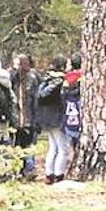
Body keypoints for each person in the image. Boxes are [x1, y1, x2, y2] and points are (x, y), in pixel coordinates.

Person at [35, 56, 72, 184]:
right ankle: (58, 174)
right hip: (56, 118)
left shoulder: (46, 79)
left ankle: (49, 173)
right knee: (63, 148)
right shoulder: (59, 82)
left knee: (53, 147)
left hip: (47, 118)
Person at [11, 54, 40, 178]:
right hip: (16, 119)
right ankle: (18, 170)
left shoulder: (33, 78)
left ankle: (29, 170)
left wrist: (36, 119)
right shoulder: (13, 79)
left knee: (29, 146)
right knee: (17, 145)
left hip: (30, 119)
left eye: (19, 63)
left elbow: (36, 100)